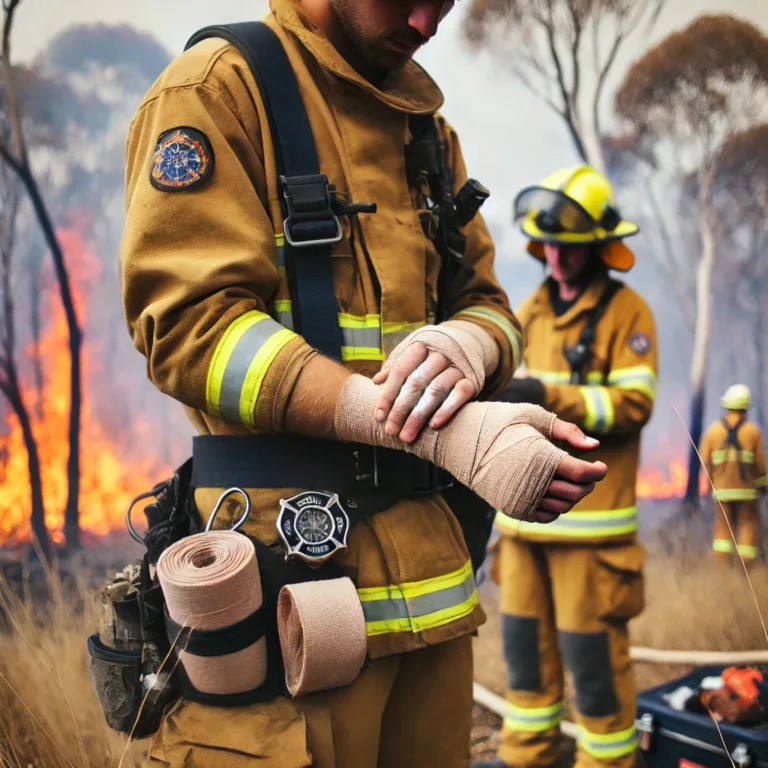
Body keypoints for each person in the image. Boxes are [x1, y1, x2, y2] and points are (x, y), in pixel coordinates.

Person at [119, 3, 607, 767]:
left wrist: (473, 344)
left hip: (437, 604)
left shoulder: (426, 130)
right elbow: (188, 327)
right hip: (284, 609)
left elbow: (493, 305)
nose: (427, 18)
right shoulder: (217, 92)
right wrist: (420, 425)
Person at [476, 165, 657, 768]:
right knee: (525, 666)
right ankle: (527, 757)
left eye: (570, 246)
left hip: (593, 538)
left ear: (600, 247)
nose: (555, 256)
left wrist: (548, 395)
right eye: (548, 243)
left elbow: (634, 405)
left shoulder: (629, 314)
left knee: (595, 669)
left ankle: (607, 762)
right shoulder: (527, 312)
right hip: (524, 530)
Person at [700, 384, 767, 567]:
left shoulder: (712, 432)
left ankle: (723, 569)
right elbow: (760, 465)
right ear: (745, 407)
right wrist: (763, 486)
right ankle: (746, 569)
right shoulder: (753, 432)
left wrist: (706, 488)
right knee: (747, 525)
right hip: (747, 493)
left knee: (722, 530)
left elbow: (705, 463)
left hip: (721, 492)